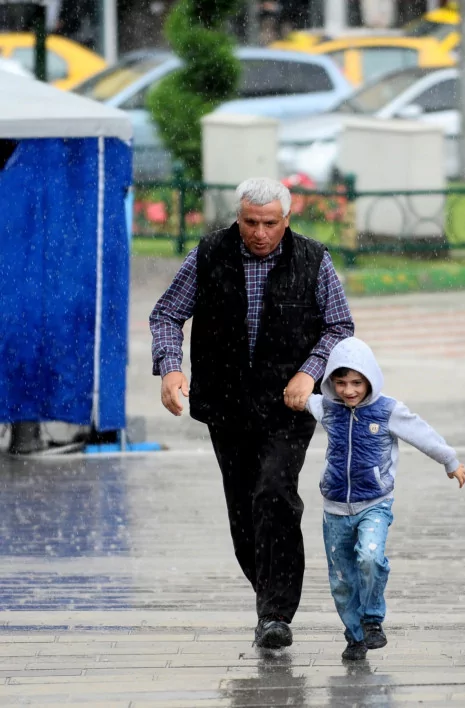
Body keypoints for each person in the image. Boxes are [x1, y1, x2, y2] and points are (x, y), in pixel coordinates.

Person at [150, 177, 355, 649]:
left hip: (288, 406)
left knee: (275, 493)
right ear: (237, 218)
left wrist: (309, 373)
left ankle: (277, 612)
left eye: (269, 224)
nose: (259, 233)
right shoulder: (208, 255)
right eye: (249, 223)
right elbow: (166, 314)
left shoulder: (313, 260)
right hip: (226, 405)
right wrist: (169, 368)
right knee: (243, 511)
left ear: (287, 221)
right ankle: (267, 596)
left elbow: (339, 326)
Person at [305, 337, 465, 661]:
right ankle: (354, 638)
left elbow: (421, 433)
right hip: (334, 507)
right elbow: (294, 397)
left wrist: (450, 461)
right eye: (341, 383)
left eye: (356, 383)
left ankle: (372, 620)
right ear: (331, 383)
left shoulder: (387, 409)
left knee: (370, 557)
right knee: (342, 580)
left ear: (369, 380)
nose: (349, 390)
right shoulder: (327, 407)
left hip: (374, 503)